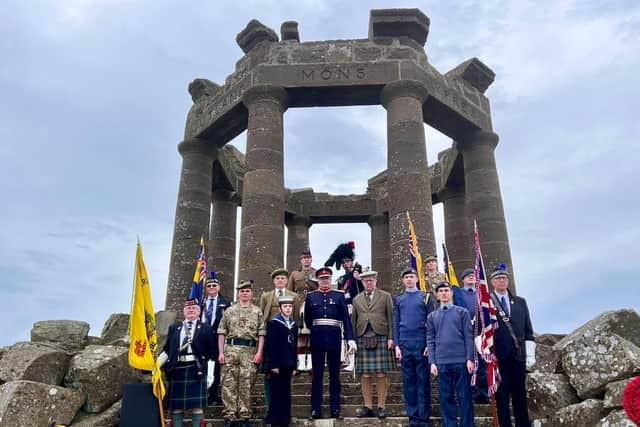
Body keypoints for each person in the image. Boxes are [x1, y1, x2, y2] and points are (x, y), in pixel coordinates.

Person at [304, 266, 356, 419]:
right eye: (322, 279)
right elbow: (308, 319)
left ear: (330, 279)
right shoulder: (311, 297)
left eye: (327, 279)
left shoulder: (339, 296)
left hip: (334, 339)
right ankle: (316, 409)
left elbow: (346, 319)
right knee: (317, 376)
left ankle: (335, 408)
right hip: (317, 339)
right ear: (318, 281)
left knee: (335, 376)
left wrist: (350, 338)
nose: (324, 281)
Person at [490, 265, 534, 427]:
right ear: (492, 282)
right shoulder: (487, 303)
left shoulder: (520, 302)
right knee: (501, 399)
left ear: (508, 281)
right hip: (498, 358)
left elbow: (528, 330)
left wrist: (530, 356)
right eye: (498, 278)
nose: (501, 281)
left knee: (520, 397)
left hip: (518, 357)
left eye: (504, 278)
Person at [217, 280, 266, 427]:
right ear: (238, 293)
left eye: (247, 291)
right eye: (241, 291)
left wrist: (259, 352)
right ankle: (230, 415)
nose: (244, 293)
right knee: (228, 384)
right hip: (230, 350)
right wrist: (221, 352)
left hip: (249, 351)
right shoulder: (229, 310)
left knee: (247, 384)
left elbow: (262, 334)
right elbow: (221, 332)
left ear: (251, 293)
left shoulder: (257, 311)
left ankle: (245, 415)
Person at [427, 281, 475, 427]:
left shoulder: (462, 312)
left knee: (464, 397)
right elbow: (430, 339)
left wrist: (469, 358)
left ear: (452, 292)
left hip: (461, 361)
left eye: (446, 290)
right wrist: (432, 361)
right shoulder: (432, 316)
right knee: (446, 397)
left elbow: (468, 336)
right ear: (437, 295)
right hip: (442, 362)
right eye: (441, 291)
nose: (444, 293)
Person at [393, 268, 437, 427]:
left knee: (423, 382)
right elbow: (395, 323)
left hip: (422, 344)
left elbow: (432, 323)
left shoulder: (425, 298)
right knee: (409, 382)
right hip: (405, 344)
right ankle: (413, 417)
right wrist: (397, 344)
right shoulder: (398, 300)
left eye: (412, 276)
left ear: (417, 279)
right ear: (403, 281)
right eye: (406, 277)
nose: (409, 279)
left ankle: (424, 418)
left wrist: (429, 345)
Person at [162, 298, 215, 427]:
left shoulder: (206, 328)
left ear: (199, 312)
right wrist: (155, 366)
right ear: (184, 312)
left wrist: (210, 374)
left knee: (197, 406)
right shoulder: (174, 328)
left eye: (194, 309)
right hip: (177, 368)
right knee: (176, 407)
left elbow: (211, 353)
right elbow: (167, 350)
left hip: (196, 368)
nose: (191, 310)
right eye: (188, 309)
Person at [351, 270, 395, 419]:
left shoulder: (385, 296)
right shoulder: (356, 299)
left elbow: (391, 318)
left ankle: (381, 406)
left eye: (371, 280)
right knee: (365, 373)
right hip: (362, 337)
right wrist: (353, 341)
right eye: (366, 281)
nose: (369, 283)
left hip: (381, 336)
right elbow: (353, 322)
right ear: (362, 282)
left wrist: (391, 338)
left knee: (381, 372)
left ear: (376, 281)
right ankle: (368, 406)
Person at [259, 268, 299, 405]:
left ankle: (282, 406)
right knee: (269, 374)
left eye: (283, 278)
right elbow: (262, 316)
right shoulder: (266, 296)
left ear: (287, 280)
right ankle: (270, 406)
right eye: (277, 278)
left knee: (285, 373)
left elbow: (296, 318)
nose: (280, 280)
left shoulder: (294, 296)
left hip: (287, 341)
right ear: (273, 281)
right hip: (271, 340)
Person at [455, 267, 490, 403]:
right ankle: (470, 393)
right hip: (463, 334)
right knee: (466, 364)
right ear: (462, 279)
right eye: (468, 276)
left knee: (481, 364)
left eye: (473, 275)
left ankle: (483, 393)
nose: (471, 277)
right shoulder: (457, 294)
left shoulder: (482, 294)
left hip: (480, 334)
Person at [264, 295, 298, 427]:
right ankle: (274, 420)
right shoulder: (274, 323)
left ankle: (285, 419)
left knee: (286, 392)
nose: (288, 309)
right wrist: (273, 364)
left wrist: (294, 365)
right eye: (285, 306)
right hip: (277, 364)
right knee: (276, 392)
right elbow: (271, 345)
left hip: (288, 363)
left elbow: (294, 346)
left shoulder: (293, 325)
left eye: (290, 306)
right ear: (280, 308)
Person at [200, 272, 231, 405]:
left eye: (214, 285)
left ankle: (213, 396)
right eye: (209, 285)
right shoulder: (201, 302)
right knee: (201, 367)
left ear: (219, 287)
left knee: (217, 369)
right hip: (202, 339)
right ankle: (202, 395)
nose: (212, 287)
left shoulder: (226, 302)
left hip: (218, 338)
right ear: (206, 288)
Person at [287, 248, 317, 372]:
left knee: (311, 334)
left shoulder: (316, 272)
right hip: (298, 305)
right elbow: (289, 291)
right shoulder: (294, 274)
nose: (306, 260)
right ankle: (299, 364)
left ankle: (309, 364)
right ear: (301, 260)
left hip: (312, 304)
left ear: (311, 259)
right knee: (299, 334)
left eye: (308, 258)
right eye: (304, 258)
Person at [324, 241, 363, 306]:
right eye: (343, 262)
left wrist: (360, 278)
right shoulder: (341, 279)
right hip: (345, 306)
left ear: (352, 261)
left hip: (357, 306)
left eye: (347, 261)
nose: (345, 264)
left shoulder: (358, 272)